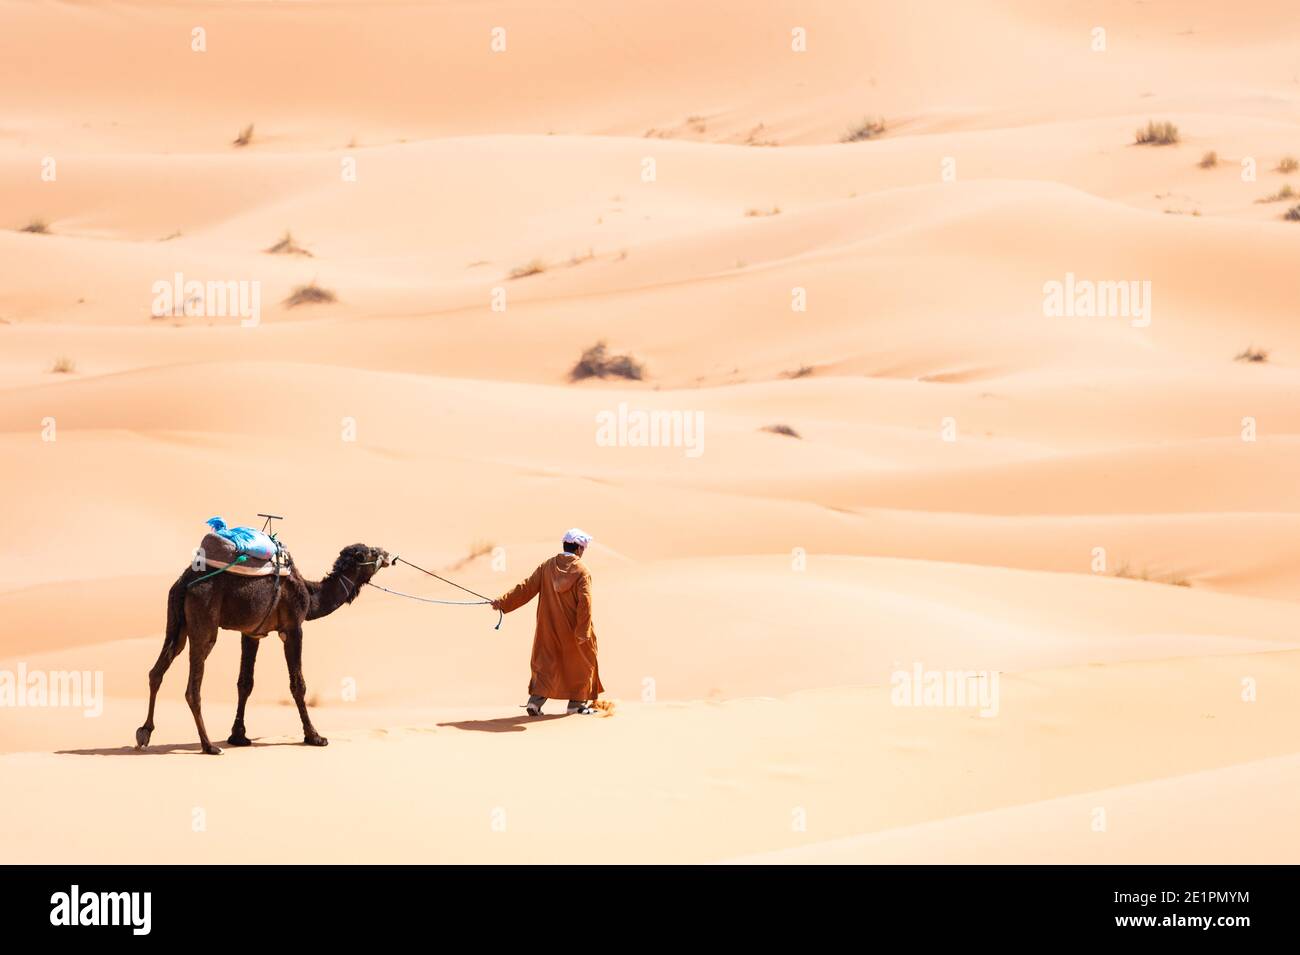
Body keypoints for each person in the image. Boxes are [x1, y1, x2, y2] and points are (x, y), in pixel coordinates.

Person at [491, 528, 603, 715]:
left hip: (549, 628)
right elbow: (586, 603)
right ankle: (576, 705)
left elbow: (526, 588)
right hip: (575, 631)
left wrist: (503, 602)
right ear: (578, 549)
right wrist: (583, 632)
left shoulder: (547, 567)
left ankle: (534, 703)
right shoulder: (582, 571)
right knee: (582, 664)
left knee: (546, 664)